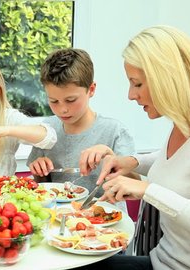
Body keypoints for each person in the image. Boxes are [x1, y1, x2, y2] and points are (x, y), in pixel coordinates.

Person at [80, 25, 190, 270]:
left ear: (167, 79)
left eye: (137, 84)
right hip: (163, 261)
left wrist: (147, 190)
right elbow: (180, 162)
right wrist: (130, 161)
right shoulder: (183, 127)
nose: (130, 95)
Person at [27, 48, 136, 205]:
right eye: (53, 101)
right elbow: (43, 188)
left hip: (105, 223)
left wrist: (112, 158)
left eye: (71, 100)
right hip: (59, 221)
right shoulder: (47, 130)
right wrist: (39, 173)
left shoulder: (115, 131)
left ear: (91, 90)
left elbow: (134, 184)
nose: (62, 109)